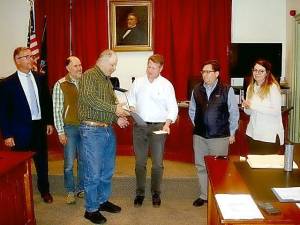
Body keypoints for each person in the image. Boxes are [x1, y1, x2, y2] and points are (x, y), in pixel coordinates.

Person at [78, 49, 129, 224]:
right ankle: (91, 209)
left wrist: (118, 118)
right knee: (93, 173)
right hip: (92, 131)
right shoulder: (89, 75)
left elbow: (108, 104)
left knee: (107, 171)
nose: (114, 68)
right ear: (102, 60)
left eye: (115, 65)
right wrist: (115, 109)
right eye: (113, 64)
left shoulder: (107, 81)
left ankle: (102, 201)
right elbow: (89, 99)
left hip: (107, 130)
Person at [0, 47, 54, 203]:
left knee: (42, 162)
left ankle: (45, 191)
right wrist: (7, 134)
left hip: (39, 127)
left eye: (32, 56)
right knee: (20, 166)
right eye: (28, 57)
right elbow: (3, 111)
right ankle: (20, 194)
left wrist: (48, 121)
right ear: (17, 60)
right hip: (19, 131)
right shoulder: (7, 84)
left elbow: (46, 102)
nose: (32, 59)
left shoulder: (40, 78)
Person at [127, 54, 178, 208]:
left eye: (154, 68)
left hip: (159, 127)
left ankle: (156, 193)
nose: (150, 70)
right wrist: (131, 106)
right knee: (140, 163)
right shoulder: (138, 82)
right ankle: (140, 193)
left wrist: (167, 124)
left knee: (157, 164)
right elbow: (130, 98)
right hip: (140, 127)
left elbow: (173, 107)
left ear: (161, 68)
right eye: (149, 66)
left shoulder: (166, 85)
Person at [188, 60, 239, 207]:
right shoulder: (196, 90)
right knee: (201, 166)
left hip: (220, 137)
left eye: (208, 72)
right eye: (203, 72)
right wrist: (199, 125)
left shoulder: (226, 90)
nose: (205, 75)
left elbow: (234, 113)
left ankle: (218, 195)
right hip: (199, 136)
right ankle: (204, 195)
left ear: (217, 74)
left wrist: (232, 132)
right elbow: (192, 111)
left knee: (219, 168)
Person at [52, 56, 84, 204]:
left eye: (80, 65)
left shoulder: (85, 82)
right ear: (68, 68)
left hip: (85, 128)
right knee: (69, 163)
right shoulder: (61, 84)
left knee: (84, 161)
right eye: (76, 66)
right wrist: (60, 132)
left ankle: (81, 188)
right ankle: (70, 191)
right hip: (69, 128)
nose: (79, 68)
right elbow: (57, 110)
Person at [242, 59, 284, 154]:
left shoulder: (272, 88)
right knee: (253, 165)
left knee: (267, 167)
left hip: (269, 136)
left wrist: (252, 105)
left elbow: (276, 111)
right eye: (255, 70)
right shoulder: (250, 88)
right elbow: (248, 112)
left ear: (267, 73)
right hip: (253, 134)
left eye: (261, 71)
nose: (257, 73)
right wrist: (247, 107)